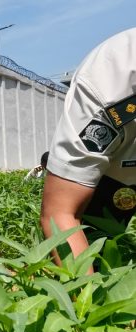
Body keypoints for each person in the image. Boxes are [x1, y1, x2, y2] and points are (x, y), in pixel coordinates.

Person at [41, 28, 136, 268]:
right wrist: (87, 291)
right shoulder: (109, 85)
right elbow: (60, 212)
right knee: (96, 248)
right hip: (114, 175)